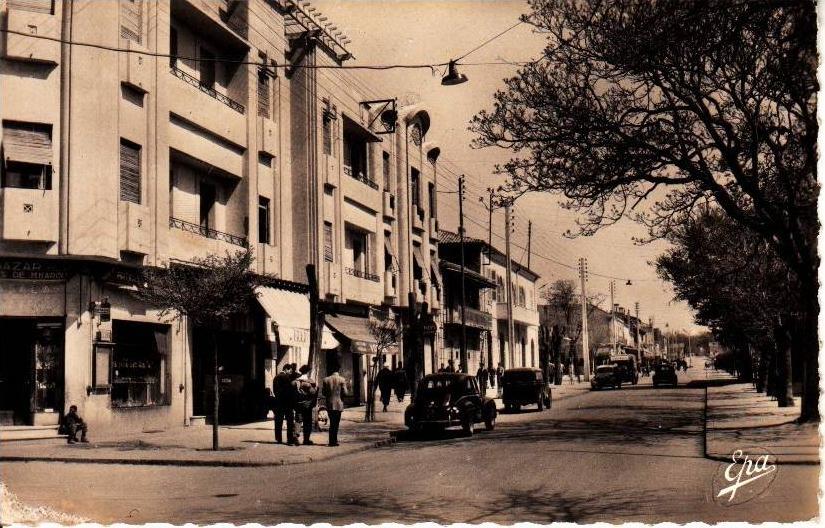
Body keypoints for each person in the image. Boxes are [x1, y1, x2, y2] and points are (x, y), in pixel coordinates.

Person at [322, 362, 350, 447]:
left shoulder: (326, 379)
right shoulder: (342, 379)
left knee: (332, 422)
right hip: (338, 404)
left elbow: (323, 392)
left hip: (330, 403)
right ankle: (334, 441)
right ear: (338, 370)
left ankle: (331, 441)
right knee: (336, 423)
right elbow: (345, 393)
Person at [272, 364, 297, 445]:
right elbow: (290, 390)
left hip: (278, 402)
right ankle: (290, 440)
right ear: (286, 369)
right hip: (287, 403)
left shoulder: (276, 377)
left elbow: (275, 390)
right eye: (290, 370)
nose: (290, 372)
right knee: (289, 421)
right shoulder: (286, 377)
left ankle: (278, 439)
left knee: (278, 421)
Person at [294, 364, 318, 445]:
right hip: (307, 404)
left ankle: (296, 436)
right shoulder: (309, 382)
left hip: (298, 403)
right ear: (307, 372)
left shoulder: (296, 381)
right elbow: (313, 392)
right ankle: (306, 439)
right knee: (307, 421)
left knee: (298, 420)